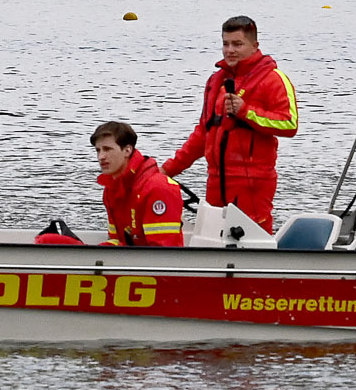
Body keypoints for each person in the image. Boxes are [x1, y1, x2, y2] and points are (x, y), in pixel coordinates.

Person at [161, 16, 298, 230]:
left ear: (255, 46)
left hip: (253, 184)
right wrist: (167, 171)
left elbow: (289, 124)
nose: (230, 50)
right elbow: (202, 135)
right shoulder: (216, 81)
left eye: (237, 44)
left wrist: (245, 111)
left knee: (252, 239)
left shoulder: (274, 79)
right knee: (211, 236)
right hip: (215, 180)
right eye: (225, 44)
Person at [91, 120, 183, 247]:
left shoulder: (158, 188)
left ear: (127, 150)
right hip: (131, 261)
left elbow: (164, 252)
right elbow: (117, 240)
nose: (101, 156)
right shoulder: (112, 188)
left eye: (107, 149)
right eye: (98, 150)